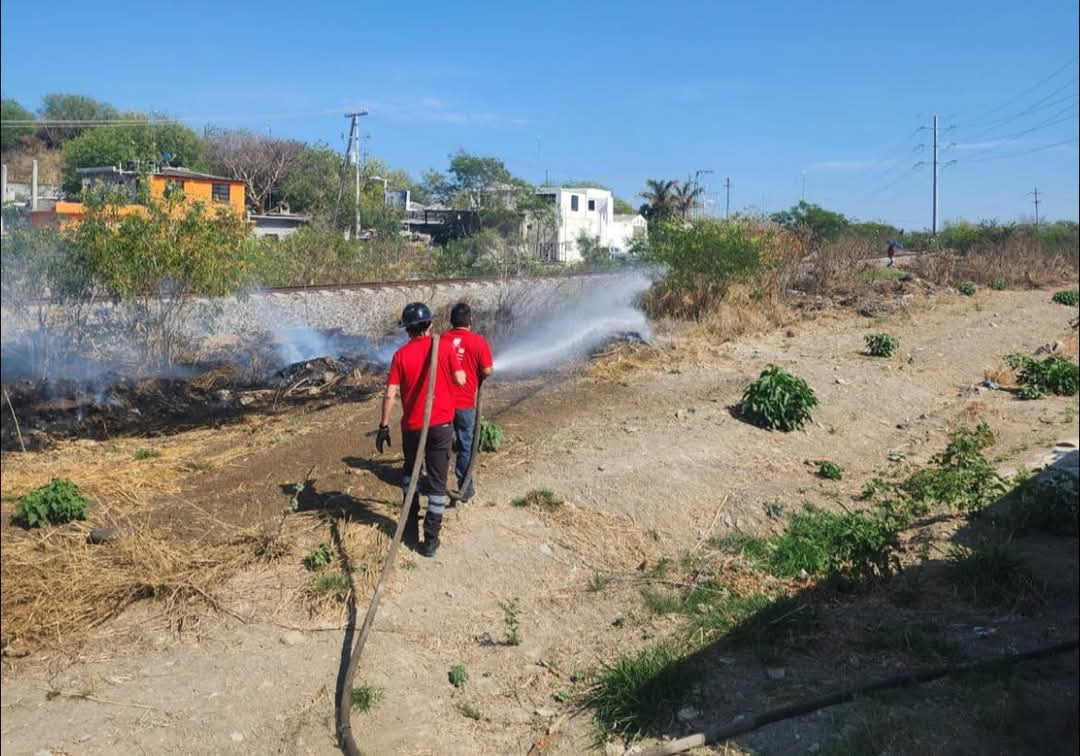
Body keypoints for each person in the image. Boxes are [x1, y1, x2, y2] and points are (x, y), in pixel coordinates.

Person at [376, 302, 466, 557]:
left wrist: (384, 425)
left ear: (407, 330)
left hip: (412, 428)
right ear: (428, 325)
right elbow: (461, 380)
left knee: (411, 475)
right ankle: (431, 539)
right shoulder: (445, 347)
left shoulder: (400, 356)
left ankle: (409, 528)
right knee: (437, 482)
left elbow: (390, 394)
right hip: (441, 426)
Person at [446, 302, 494, 501]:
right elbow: (487, 371)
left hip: (442, 404)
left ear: (451, 321)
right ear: (470, 321)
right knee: (467, 445)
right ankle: (465, 489)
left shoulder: (441, 341)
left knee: (441, 444)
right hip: (465, 404)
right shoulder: (478, 342)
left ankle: (436, 482)